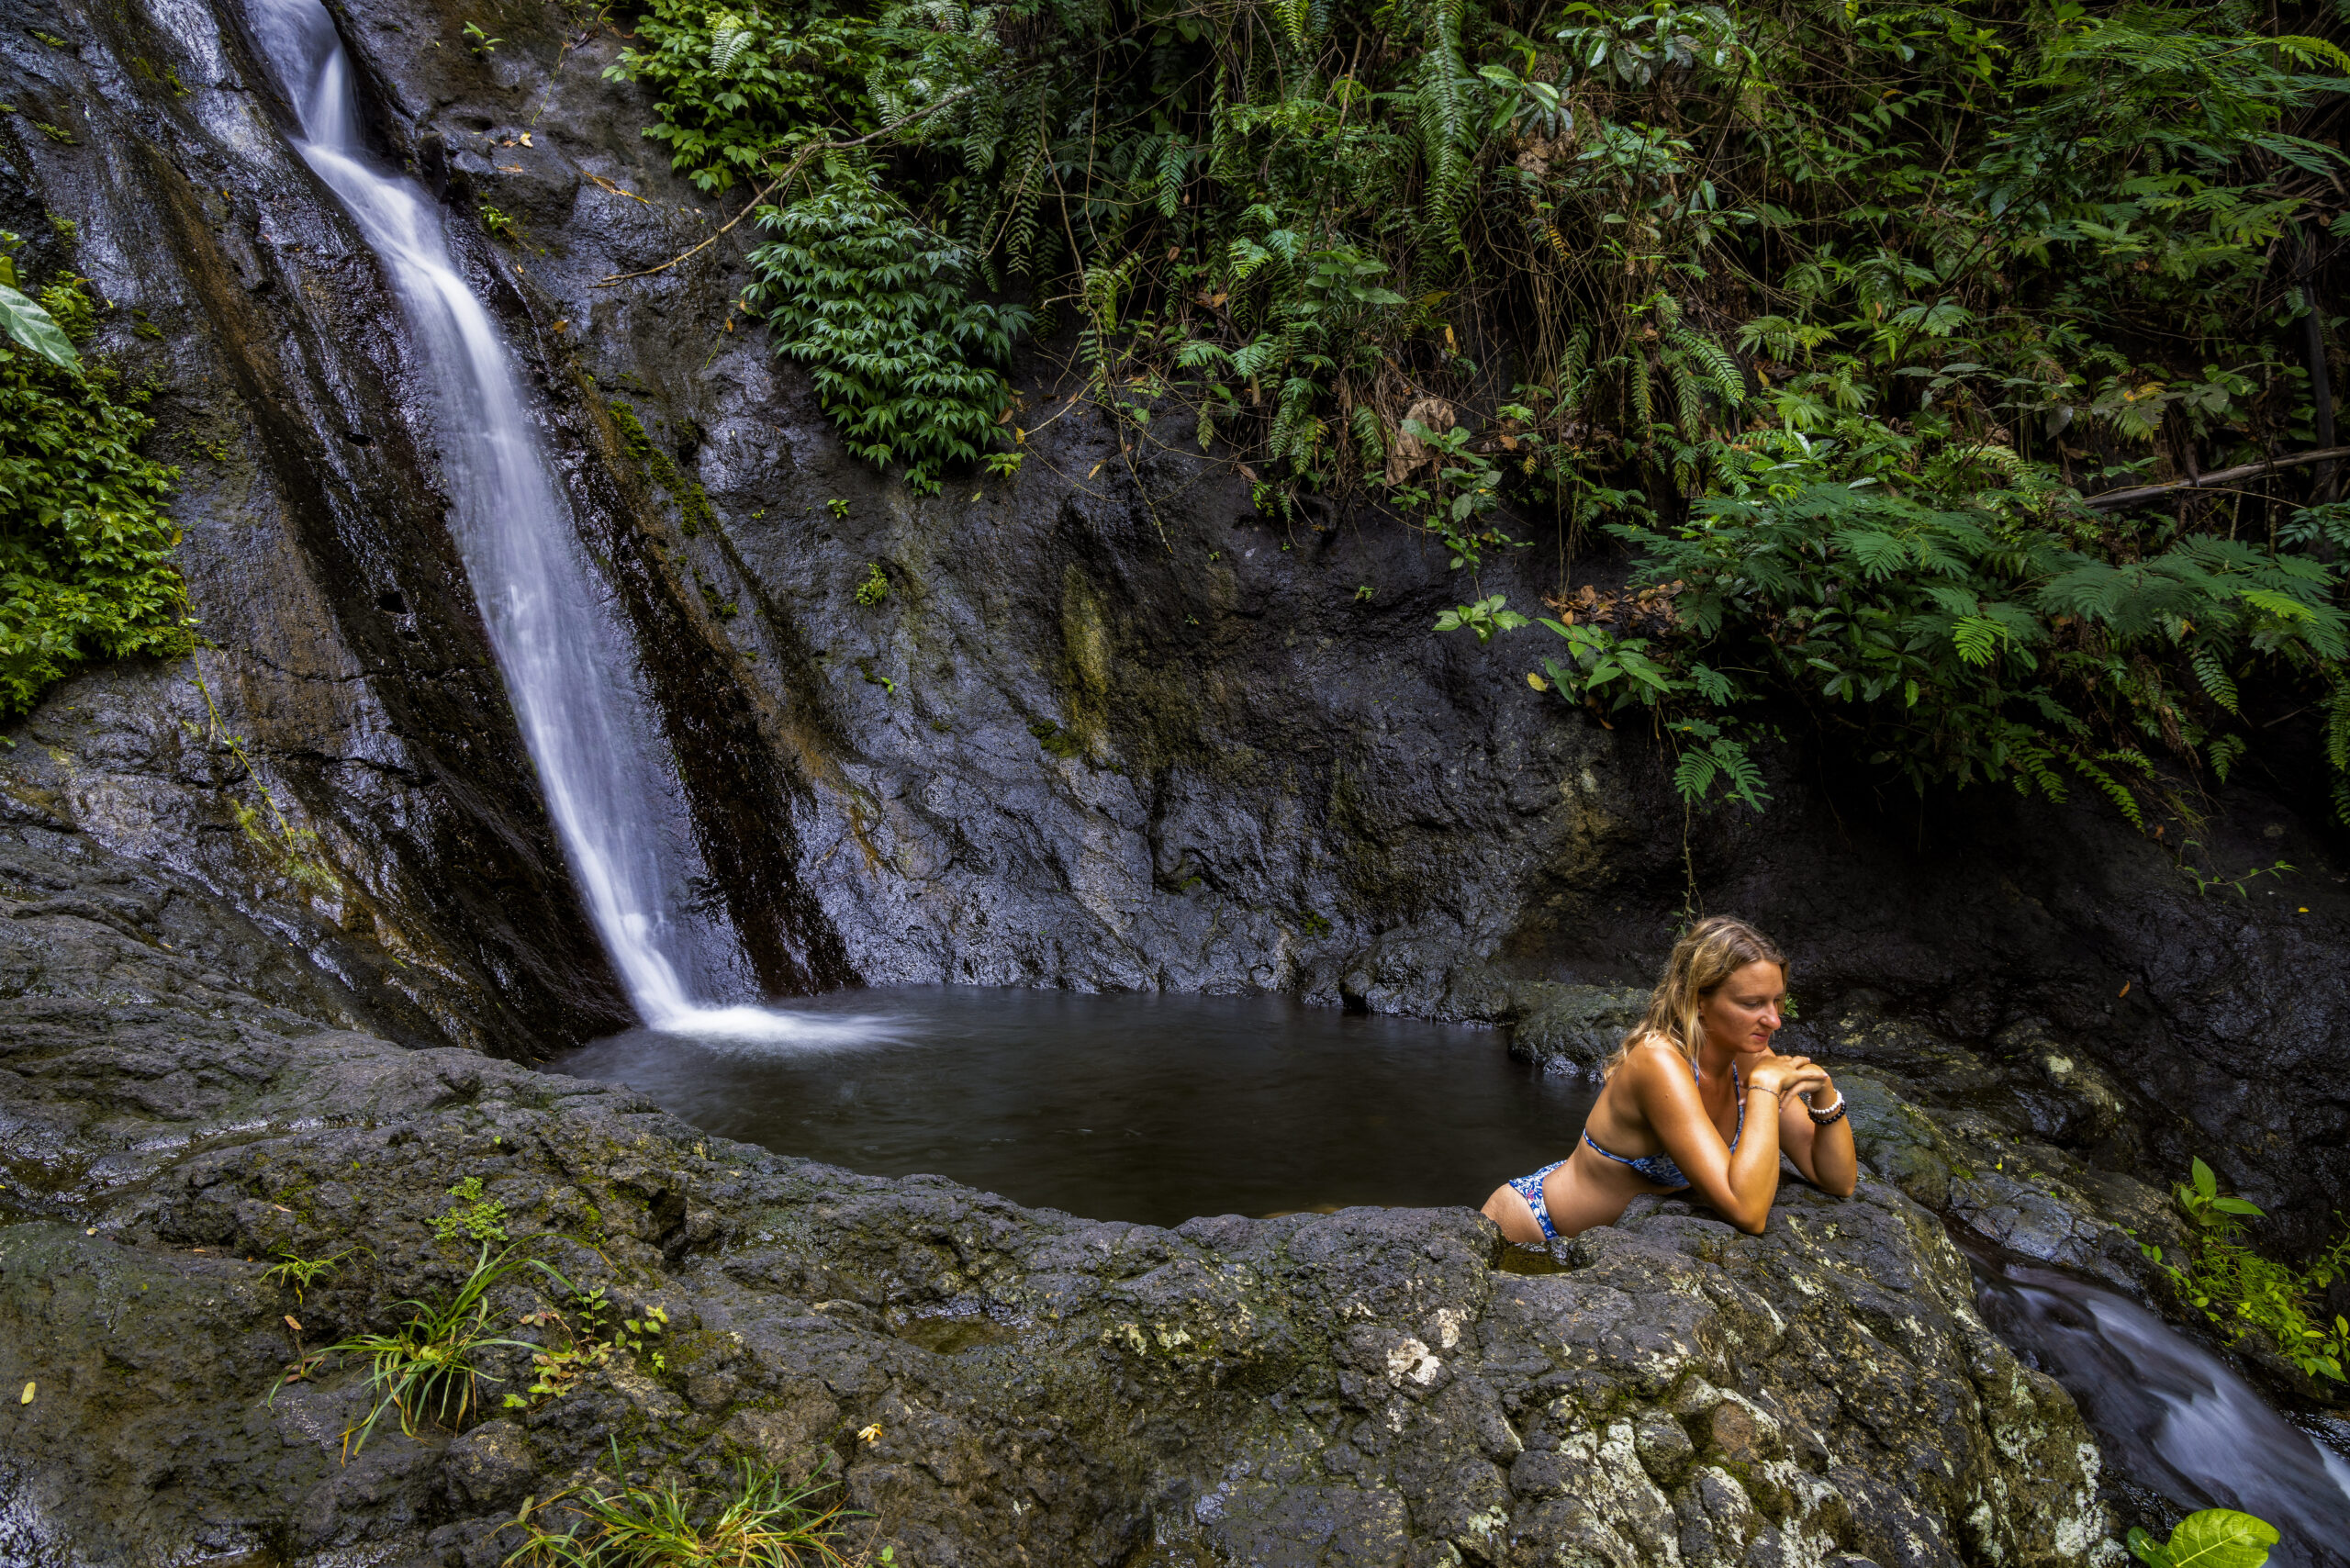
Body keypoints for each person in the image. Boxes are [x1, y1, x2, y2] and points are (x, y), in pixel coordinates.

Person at [1482, 916, 1856, 1245]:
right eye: (1752, 1004)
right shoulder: (1659, 1062)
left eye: (1776, 1001)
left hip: (1610, 1254)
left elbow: (1839, 1182)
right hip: (1534, 1231)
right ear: (1698, 1001)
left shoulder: (1752, 1058)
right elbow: (1749, 1212)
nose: (1774, 1020)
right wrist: (1764, 1092)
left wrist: (1823, 1091)